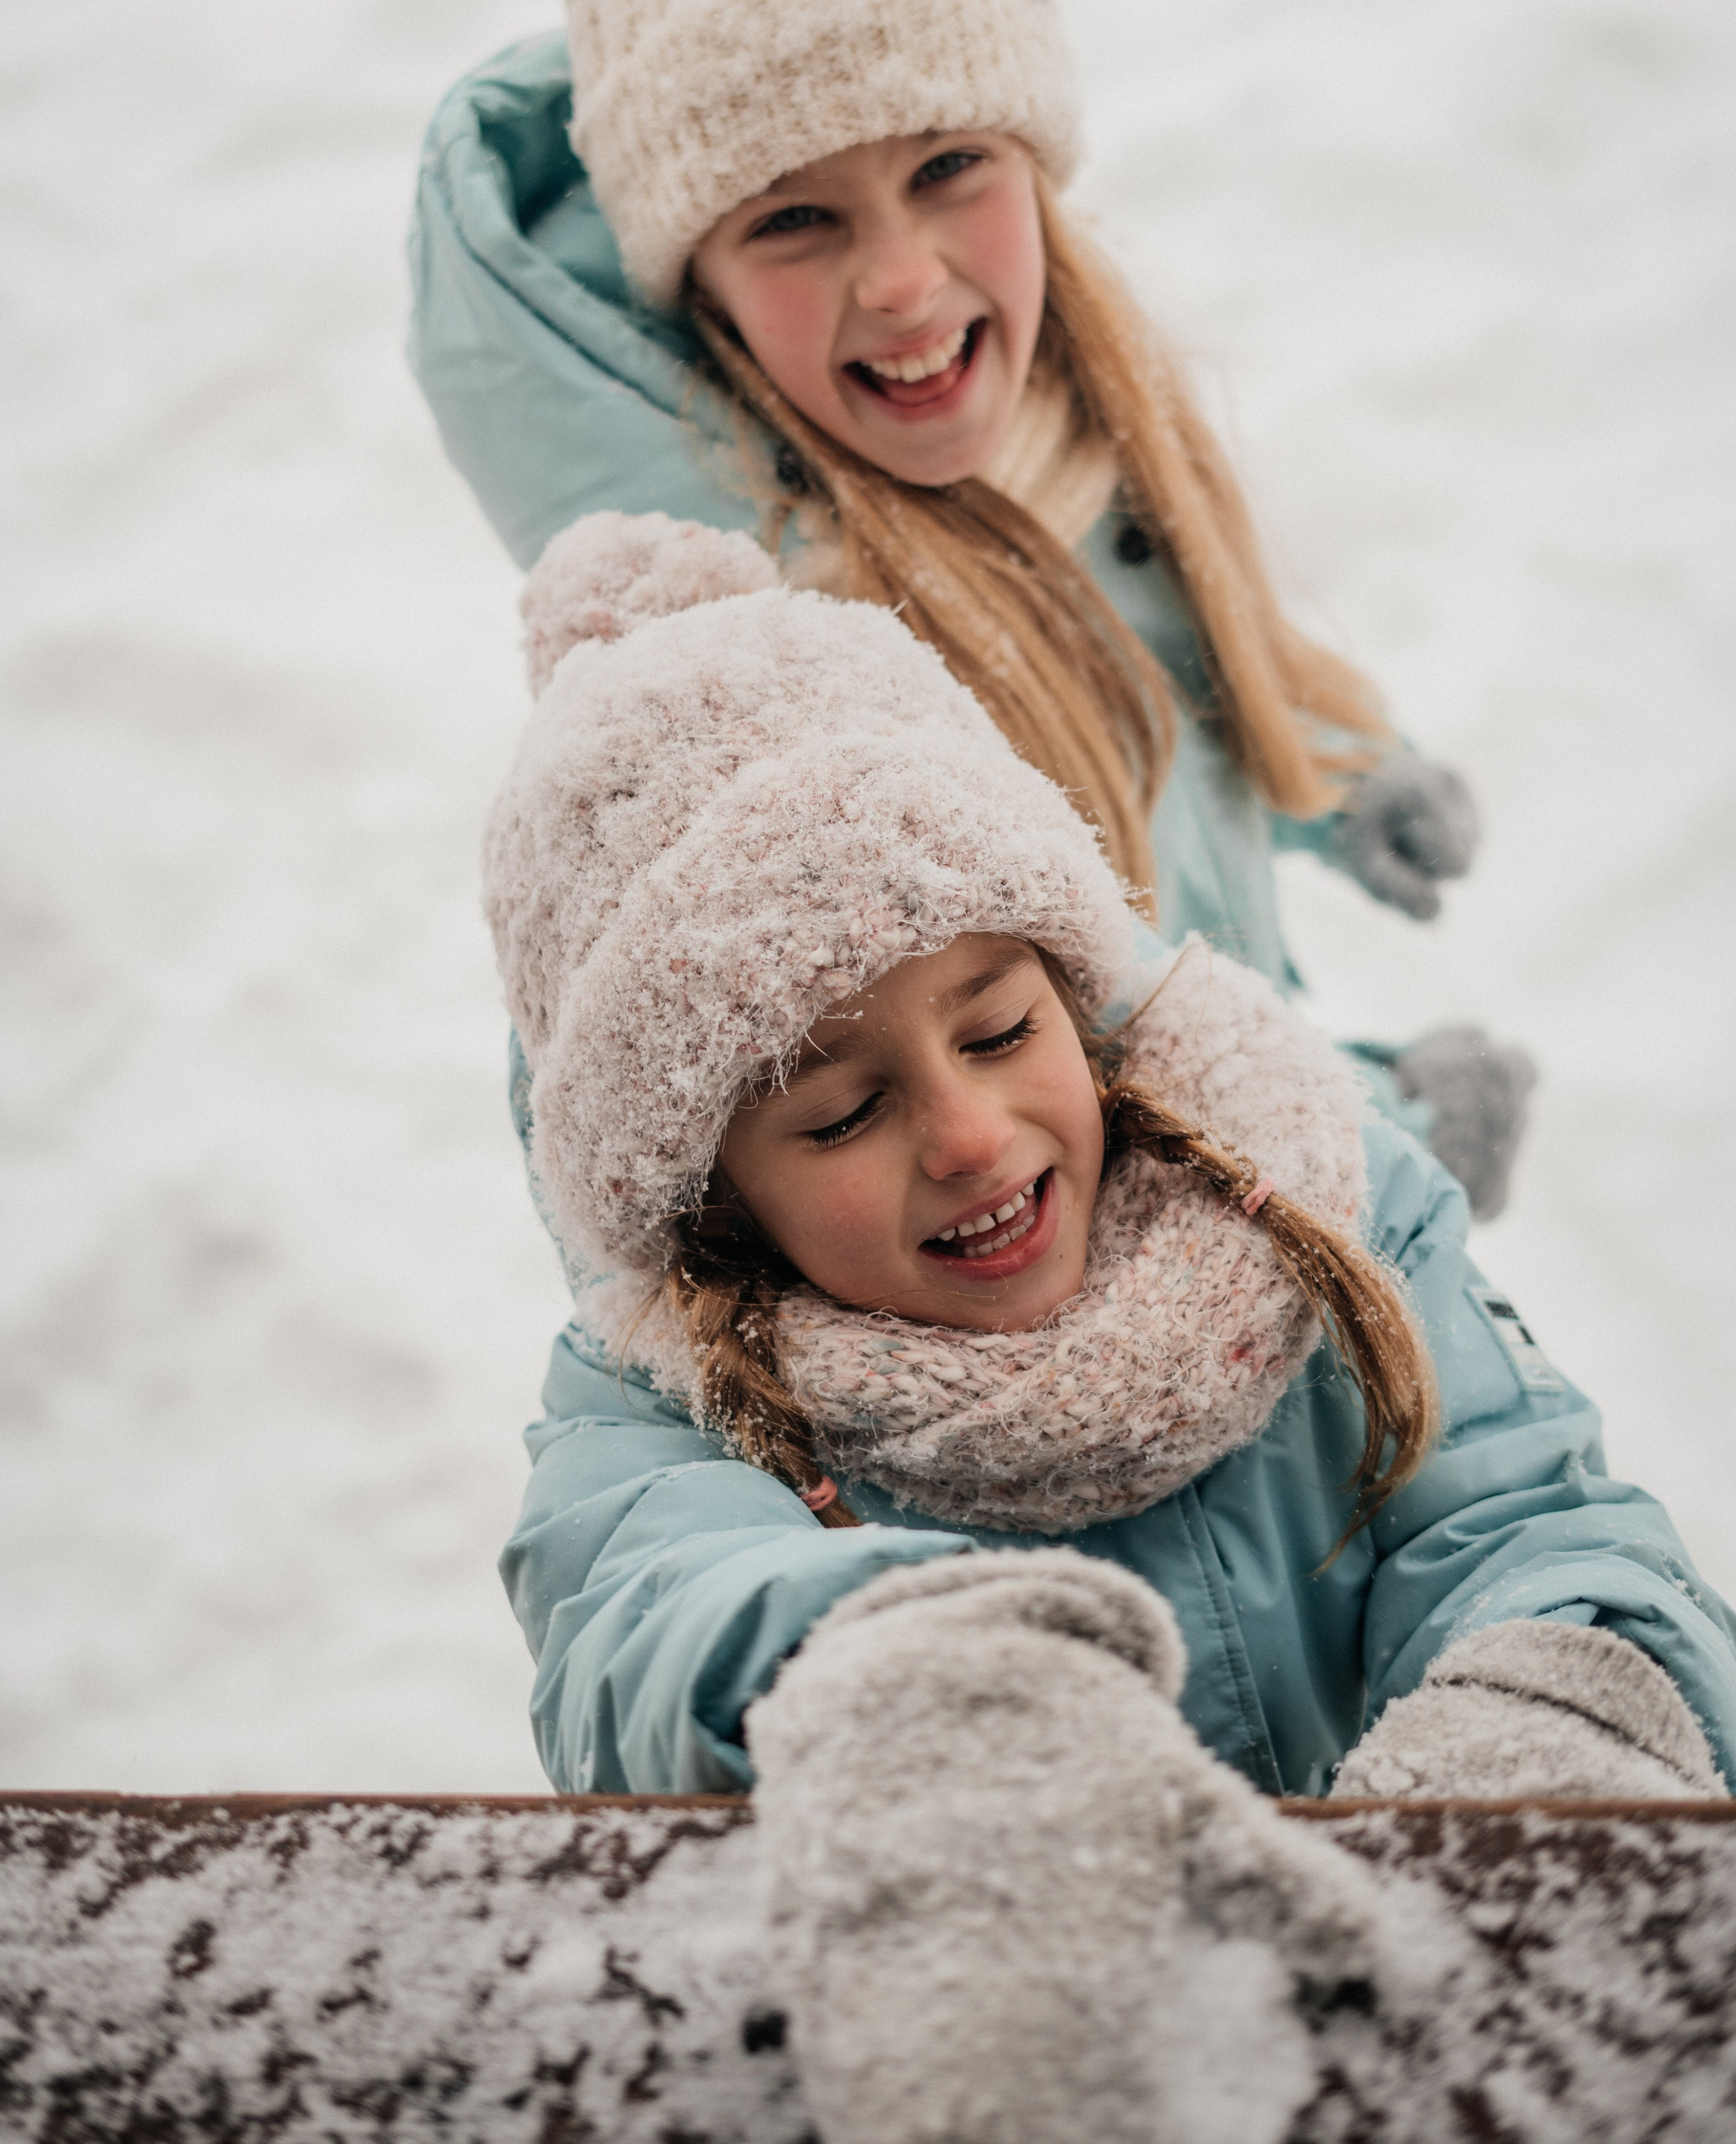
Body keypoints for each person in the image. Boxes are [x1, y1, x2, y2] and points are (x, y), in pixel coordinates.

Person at [410, 0, 1535, 1217]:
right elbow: (1073, 1057)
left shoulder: (1050, 415)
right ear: (700, 290)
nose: (900, 282)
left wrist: (1340, 771)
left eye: (949, 167)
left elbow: (1143, 631)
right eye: (793, 219)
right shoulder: (781, 683)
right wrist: (1380, 1127)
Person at [490, 507, 1736, 1823]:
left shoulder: (1318, 1205)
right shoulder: (663, 1403)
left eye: (998, 1030)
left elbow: (1528, 1520)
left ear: (1077, 999)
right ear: (714, 1197)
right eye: (843, 1114)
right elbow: (640, 1630)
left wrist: (1550, 1711)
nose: (970, 1135)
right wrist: (899, 1694)